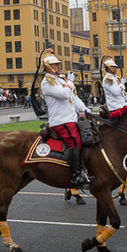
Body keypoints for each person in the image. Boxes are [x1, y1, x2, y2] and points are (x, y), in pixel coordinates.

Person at [40, 53, 92, 187]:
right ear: (48, 67)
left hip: (71, 118)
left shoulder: (60, 80)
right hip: (61, 120)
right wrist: (70, 83)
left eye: (58, 64)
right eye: (55, 65)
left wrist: (86, 110)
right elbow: (63, 95)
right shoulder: (47, 82)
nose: (58, 67)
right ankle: (76, 175)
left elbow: (73, 98)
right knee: (75, 141)